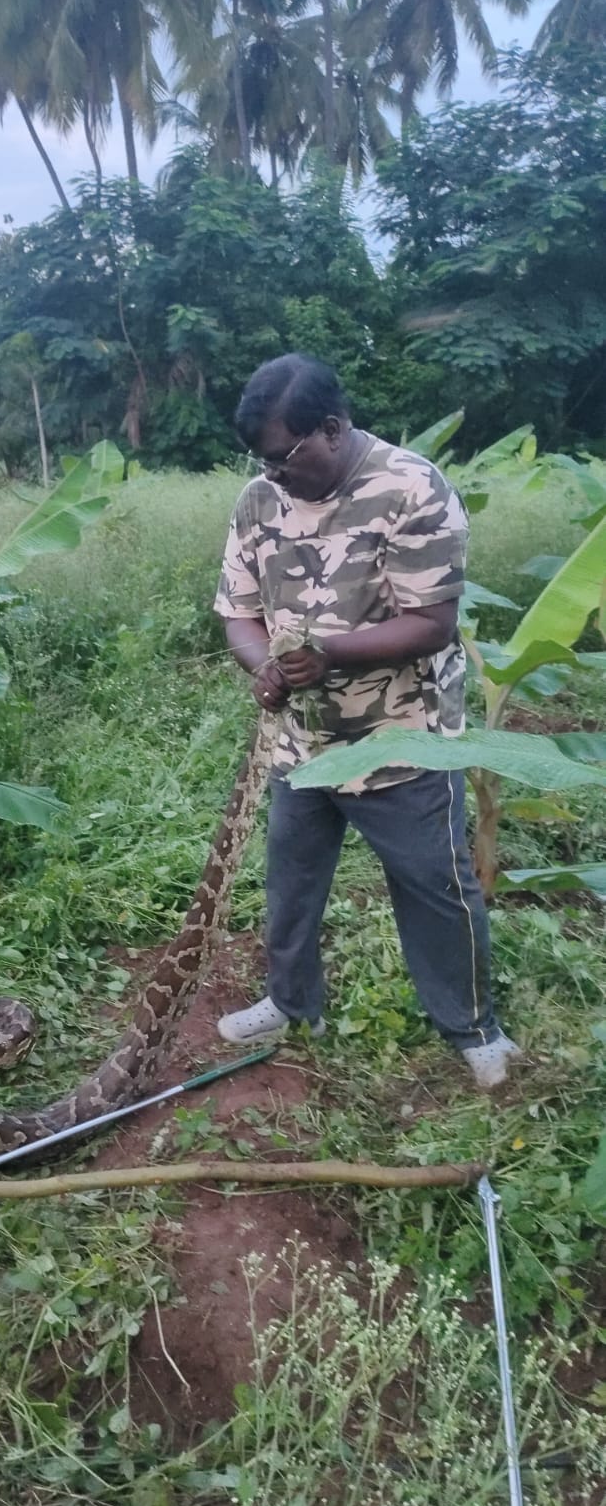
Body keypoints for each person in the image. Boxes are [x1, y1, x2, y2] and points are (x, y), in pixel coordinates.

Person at [214, 353, 520, 1089]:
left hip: (401, 738)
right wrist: (262, 664)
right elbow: (237, 610)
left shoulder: (411, 488)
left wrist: (327, 655)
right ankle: (291, 1004)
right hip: (301, 744)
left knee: (433, 885)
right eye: (264, 460)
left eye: (286, 456)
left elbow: (431, 623)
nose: (275, 474)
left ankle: (473, 1027)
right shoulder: (261, 498)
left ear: (332, 428)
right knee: (290, 882)